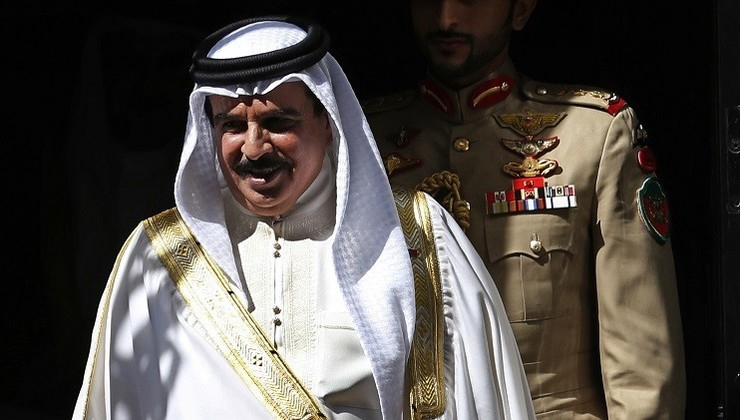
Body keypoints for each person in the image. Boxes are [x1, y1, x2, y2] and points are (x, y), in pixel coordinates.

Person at [71, 15, 536, 420]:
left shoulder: (417, 236)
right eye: (232, 125)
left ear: (328, 122)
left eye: (278, 123)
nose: (254, 147)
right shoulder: (159, 257)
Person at [362, 1, 686, 418]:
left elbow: (642, 370)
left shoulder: (593, 134)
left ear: (520, 9)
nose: (446, 18)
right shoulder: (364, 139)